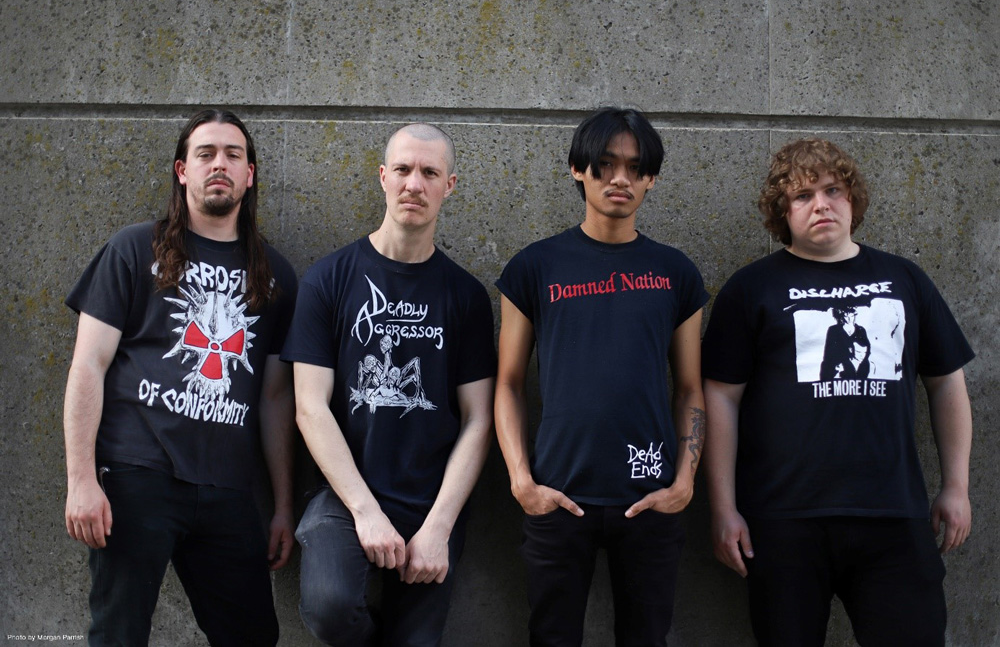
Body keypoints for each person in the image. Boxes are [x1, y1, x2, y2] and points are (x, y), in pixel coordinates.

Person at [703, 138, 974, 646]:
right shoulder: (751, 289)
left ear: (853, 199)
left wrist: (956, 487)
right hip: (783, 520)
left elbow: (946, 383)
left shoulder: (905, 279)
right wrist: (723, 508)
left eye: (833, 190)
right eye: (802, 195)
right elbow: (720, 398)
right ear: (783, 211)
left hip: (893, 515)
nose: (821, 205)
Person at [63, 109, 298, 646]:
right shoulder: (133, 249)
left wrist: (283, 505)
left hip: (228, 488)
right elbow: (88, 365)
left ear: (249, 175)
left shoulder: (275, 275)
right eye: (205, 154)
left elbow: (274, 399)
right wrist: (81, 481)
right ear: (182, 170)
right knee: (119, 634)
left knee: (253, 636)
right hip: (135, 476)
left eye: (233, 155)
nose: (220, 165)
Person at [494, 107, 708, 646]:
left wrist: (684, 483)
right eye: (606, 164)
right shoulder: (534, 267)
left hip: (650, 495)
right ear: (578, 168)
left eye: (636, 168)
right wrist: (522, 482)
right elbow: (509, 383)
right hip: (558, 494)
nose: (620, 179)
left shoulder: (676, 273)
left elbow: (690, 387)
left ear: (651, 179)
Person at [281, 123, 496, 647]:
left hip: (431, 500)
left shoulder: (465, 296)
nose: (413, 184)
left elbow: (479, 419)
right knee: (331, 608)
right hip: (342, 494)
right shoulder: (329, 279)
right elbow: (309, 407)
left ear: (450, 185)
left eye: (430, 173)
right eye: (402, 169)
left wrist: (440, 526)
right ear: (383, 177)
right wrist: (365, 511)